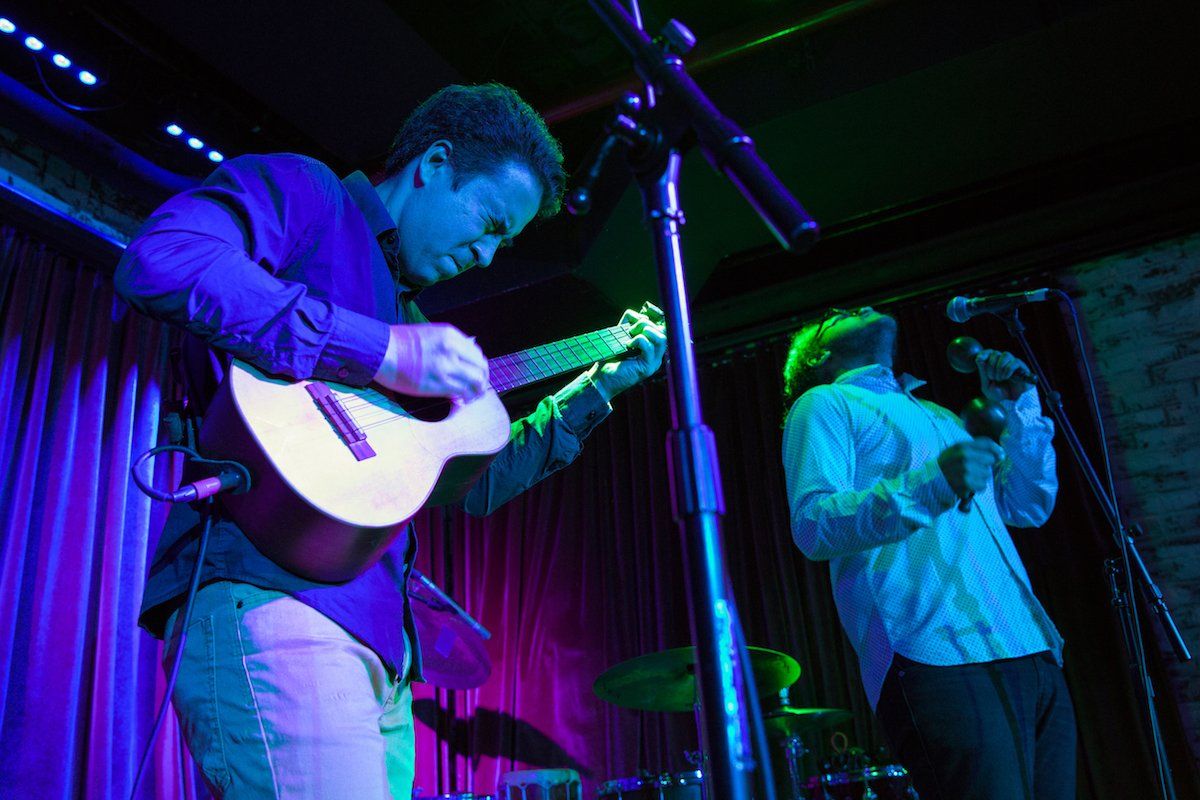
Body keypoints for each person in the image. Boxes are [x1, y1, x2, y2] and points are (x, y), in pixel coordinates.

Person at [115, 83, 666, 800]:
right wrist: (377, 350)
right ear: (434, 164)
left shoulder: (414, 320)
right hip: (274, 596)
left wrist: (601, 385)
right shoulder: (310, 194)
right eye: (490, 223)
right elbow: (164, 258)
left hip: (381, 647)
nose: (487, 256)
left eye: (502, 243)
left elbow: (476, 485)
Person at [779, 307, 1076, 800]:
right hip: (933, 651)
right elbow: (813, 526)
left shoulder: (941, 416)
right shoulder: (825, 402)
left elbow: (1027, 504)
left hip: (1026, 640)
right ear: (817, 356)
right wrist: (935, 482)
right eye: (833, 317)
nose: (855, 307)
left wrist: (1018, 407)